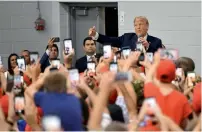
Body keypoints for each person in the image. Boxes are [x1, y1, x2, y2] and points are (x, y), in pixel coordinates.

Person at [89, 16, 163, 53]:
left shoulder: (156, 41)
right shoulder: (126, 38)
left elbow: (160, 58)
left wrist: (148, 47)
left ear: (147, 26)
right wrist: (95, 34)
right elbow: (109, 40)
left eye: (140, 24)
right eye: (135, 25)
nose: (138, 27)